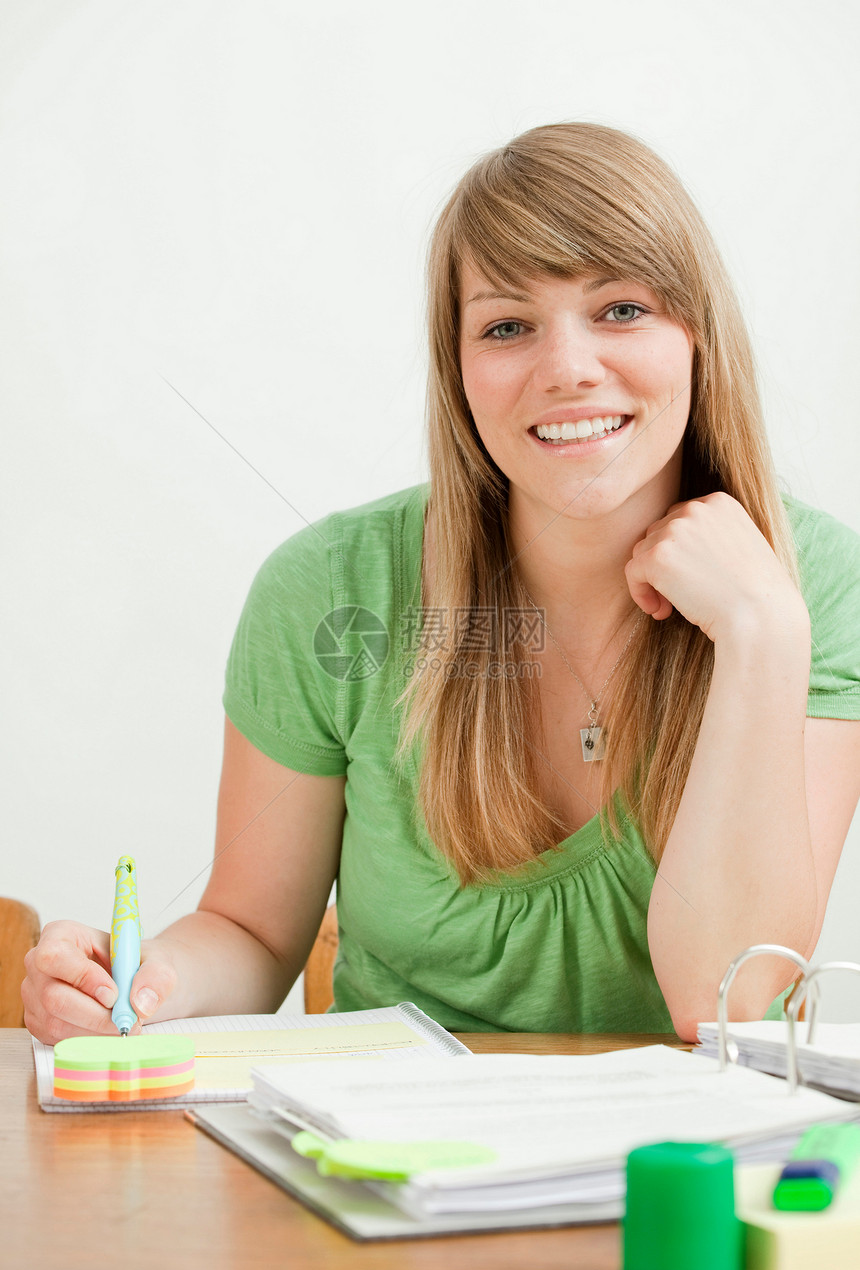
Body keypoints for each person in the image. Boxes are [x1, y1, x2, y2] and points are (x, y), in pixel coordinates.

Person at [24, 122, 860, 1045]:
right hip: (381, 1161)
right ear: (457, 370)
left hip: (680, 1168)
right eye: (507, 326)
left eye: (621, 309)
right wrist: (142, 987)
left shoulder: (812, 586)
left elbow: (729, 1006)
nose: (569, 369)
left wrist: (761, 633)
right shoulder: (329, 590)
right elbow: (253, 934)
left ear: (699, 334)